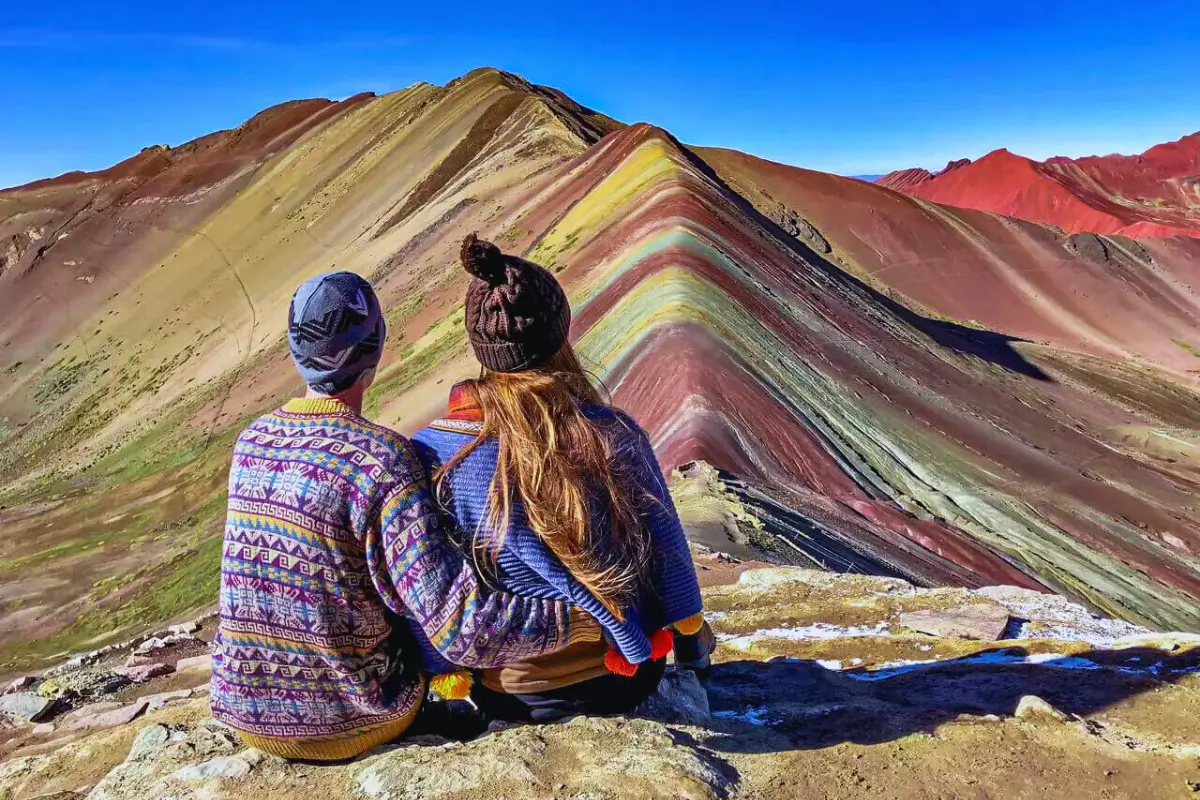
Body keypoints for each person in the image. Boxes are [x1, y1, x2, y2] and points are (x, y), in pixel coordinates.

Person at [210, 271, 600, 761]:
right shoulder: (381, 461)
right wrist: (579, 620)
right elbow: (458, 626)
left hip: (243, 714)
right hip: (353, 720)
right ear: (375, 348)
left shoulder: (253, 441)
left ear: (295, 349)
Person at [411, 235, 714, 723]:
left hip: (508, 693)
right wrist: (694, 654)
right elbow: (668, 552)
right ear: (559, 334)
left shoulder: (432, 453)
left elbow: (427, 583)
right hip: (623, 677)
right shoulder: (610, 431)